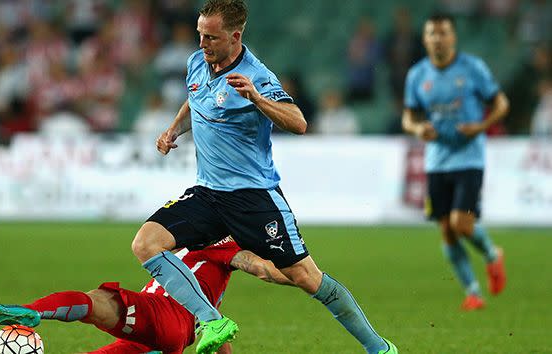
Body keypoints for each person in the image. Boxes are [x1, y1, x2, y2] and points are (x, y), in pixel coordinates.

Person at [131, 1, 397, 354]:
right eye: (200, 35)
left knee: (306, 278)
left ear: (235, 36)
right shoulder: (198, 62)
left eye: (211, 37)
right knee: (146, 244)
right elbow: (194, 99)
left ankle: (379, 347)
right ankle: (213, 320)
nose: (202, 43)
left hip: (253, 199)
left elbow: (299, 123)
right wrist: (173, 130)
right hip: (208, 195)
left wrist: (256, 98)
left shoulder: (257, 76)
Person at [0, 237, 293, 354]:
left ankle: (32, 311)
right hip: (163, 334)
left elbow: (260, 267)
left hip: (163, 314)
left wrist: (302, 278)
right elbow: (214, 322)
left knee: (99, 300)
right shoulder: (191, 240)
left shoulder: (221, 242)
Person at [402, 13, 509, 311]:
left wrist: (480, 126)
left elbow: (502, 103)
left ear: (453, 37)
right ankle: (473, 292)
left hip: (469, 157)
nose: (437, 38)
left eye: (443, 32)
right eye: (432, 33)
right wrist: (417, 129)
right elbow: (408, 117)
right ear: (425, 39)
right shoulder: (417, 75)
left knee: (461, 223)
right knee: (446, 229)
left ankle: (491, 254)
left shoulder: (473, 69)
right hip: (436, 161)